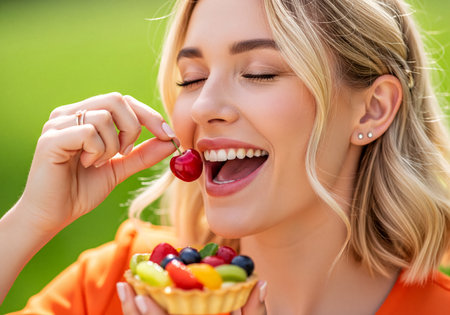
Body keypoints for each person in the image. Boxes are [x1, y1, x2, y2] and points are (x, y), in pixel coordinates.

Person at [1, 0, 450, 314]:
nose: (201, 108)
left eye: (259, 73)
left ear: (372, 108)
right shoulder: (123, 283)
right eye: (191, 79)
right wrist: (30, 220)